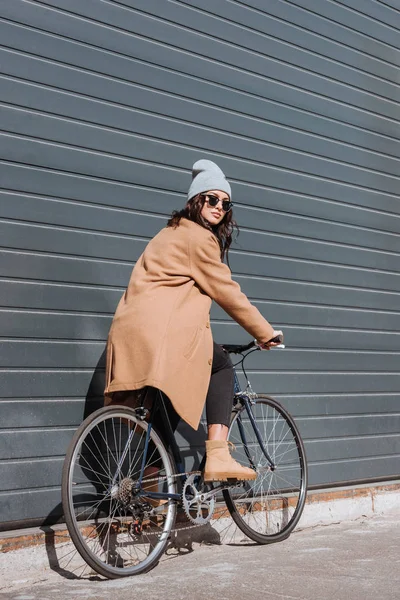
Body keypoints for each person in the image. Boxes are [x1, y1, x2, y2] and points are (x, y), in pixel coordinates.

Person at [104, 159, 282, 482]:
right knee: (222, 365)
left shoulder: (167, 233)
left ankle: (157, 505)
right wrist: (265, 332)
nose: (219, 207)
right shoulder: (198, 239)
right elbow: (227, 292)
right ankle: (218, 453)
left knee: (162, 420)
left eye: (225, 203)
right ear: (196, 200)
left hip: (131, 337)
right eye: (211, 199)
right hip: (161, 336)